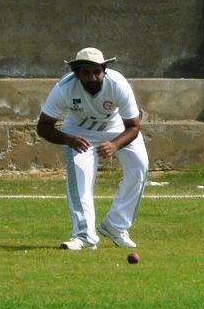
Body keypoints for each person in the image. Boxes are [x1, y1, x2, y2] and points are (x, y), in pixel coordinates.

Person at [37, 47, 149, 250]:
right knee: (80, 177)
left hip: (117, 129)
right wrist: (69, 139)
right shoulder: (64, 88)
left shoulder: (118, 84)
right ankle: (85, 236)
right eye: (86, 73)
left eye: (97, 72)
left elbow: (134, 126)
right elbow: (43, 127)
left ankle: (116, 226)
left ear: (104, 70)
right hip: (79, 132)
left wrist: (114, 145)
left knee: (140, 166)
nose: (92, 78)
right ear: (77, 73)